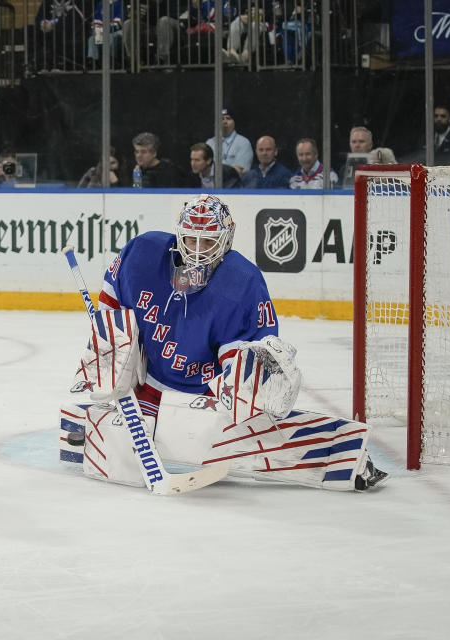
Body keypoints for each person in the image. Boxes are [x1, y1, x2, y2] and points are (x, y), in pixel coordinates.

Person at [60, 194, 387, 492]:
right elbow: (111, 308)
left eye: (209, 241)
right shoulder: (143, 254)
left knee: (248, 383)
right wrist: (111, 362)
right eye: (191, 239)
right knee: (111, 362)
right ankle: (121, 421)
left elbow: (243, 365)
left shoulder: (241, 281)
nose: (198, 250)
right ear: (178, 235)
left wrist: (239, 404)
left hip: (204, 396)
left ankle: (339, 456)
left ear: (226, 240)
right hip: (146, 388)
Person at [205, 107, 253, 176]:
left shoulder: (244, 143)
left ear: (234, 122)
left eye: (228, 118)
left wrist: (212, 170)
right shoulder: (209, 143)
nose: (225, 122)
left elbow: (240, 171)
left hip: (235, 186)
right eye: (221, 119)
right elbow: (203, 169)